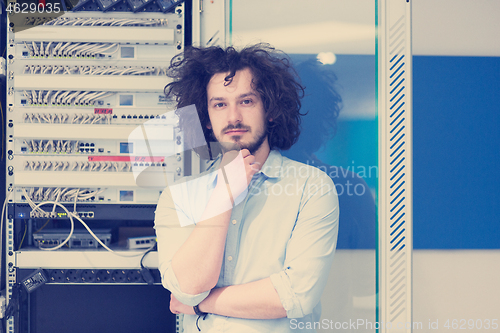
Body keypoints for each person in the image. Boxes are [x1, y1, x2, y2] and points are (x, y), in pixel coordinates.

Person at [154, 44, 339, 333]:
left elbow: (295, 296)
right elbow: (188, 288)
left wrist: (202, 303)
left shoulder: (311, 188)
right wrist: (223, 195)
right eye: (219, 104)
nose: (233, 118)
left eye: (247, 101)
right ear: (206, 118)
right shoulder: (177, 197)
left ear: (271, 111)